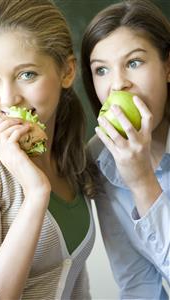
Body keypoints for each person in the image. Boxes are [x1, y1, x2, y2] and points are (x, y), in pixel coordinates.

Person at [0, 0, 97, 299]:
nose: (8, 99)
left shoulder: (71, 152)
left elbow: (76, 281)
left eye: (26, 74)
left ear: (66, 72)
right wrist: (36, 192)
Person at [81, 0, 170, 299]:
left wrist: (142, 181)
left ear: (168, 67)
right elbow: (137, 283)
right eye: (101, 70)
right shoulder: (101, 155)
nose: (118, 84)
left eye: (134, 63)